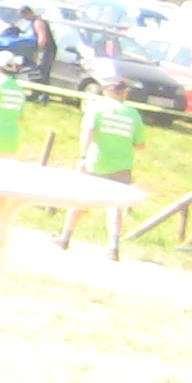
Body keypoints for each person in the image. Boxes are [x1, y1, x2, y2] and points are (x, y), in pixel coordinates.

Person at [63, 78, 145, 257]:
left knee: (80, 201)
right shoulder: (133, 114)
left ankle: (65, 238)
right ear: (124, 93)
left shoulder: (97, 108)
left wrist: (83, 156)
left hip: (96, 162)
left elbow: (88, 132)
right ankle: (113, 247)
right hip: (122, 165)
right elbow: (140, 144)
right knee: (115, 207)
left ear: (106, 91)